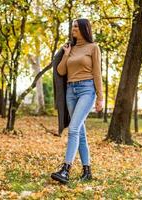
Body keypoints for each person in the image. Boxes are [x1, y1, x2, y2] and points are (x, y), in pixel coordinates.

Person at [51, 18, 103, 184]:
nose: (72, 28)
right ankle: (87, 171)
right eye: (72, 26)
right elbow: (60, 70)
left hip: (87, 90)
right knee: (80, 132)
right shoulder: (70, 48)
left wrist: (100, 97)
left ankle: (66, 169)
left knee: (73, 128)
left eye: (75, 26)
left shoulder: (93, 48)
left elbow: (97, 73)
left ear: (83, 29)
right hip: (71, 91)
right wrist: (66, 55)